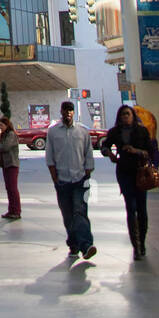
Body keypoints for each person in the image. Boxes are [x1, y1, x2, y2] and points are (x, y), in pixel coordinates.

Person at [100, 105, 157, 260]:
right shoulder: (115, 132)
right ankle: (136, 246)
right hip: (124, 172)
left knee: (141, 209)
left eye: (128, 114)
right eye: (123, 114)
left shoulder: (142, 131)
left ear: (133, 116)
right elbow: (104, 145)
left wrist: (136, 151)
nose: (125, 117)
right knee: (130, 208)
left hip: (140, 172)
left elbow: (150, 151)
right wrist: (110, 154)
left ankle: (142, 242)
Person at [45, 100, 96, 260]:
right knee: (68, 215)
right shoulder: (53, 133)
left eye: (70, 110)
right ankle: (73, 244)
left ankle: (86, 245)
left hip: (80, 179)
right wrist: (55, 178)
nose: (68, 113)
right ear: (61, 112)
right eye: (65, 110)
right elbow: (50, 157)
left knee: (80, 212)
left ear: (73, 112)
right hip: (62, 181)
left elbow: (88, 153)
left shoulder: (82, 132)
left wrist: (87, 173)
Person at [0, 115, 21, 219]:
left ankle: (16, 210)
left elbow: (4, 147)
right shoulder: (5, 135)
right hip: (6, 164)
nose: (0, 127)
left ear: (7, 125)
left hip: (12, 164)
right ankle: (11, 210)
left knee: (12, 188)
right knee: (9, 188)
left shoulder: (11, 135)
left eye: (1, 125)